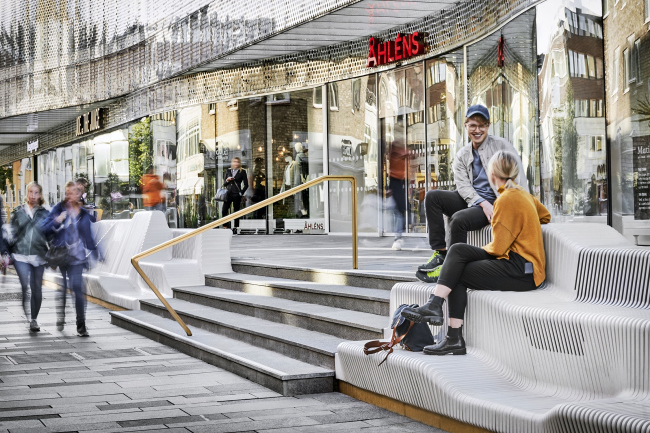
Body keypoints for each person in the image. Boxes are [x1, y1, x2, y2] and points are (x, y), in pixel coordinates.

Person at [400, 151, 550, 355]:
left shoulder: (505, 200)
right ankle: (436, 309)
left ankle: (450, 333)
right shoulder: (523, 194)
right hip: (524, 266)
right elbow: (546, 216)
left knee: (458, 270)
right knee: (458, 251)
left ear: (492, 175)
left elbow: (498, 249)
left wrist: (508, 227)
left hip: (522, 270)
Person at [417, 104, 528, 283]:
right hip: (475, 201)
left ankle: (451, 270)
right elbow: (463, 186)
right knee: (432, 197)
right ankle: (441, 253)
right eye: (473, 125)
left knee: (458, 219)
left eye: (482, 125)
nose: (477, 130)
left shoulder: (501, 146)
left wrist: (520, 209)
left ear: (488, 126)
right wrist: (481, 202)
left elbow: (519, 178)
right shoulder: (462, 155)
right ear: (466, 126)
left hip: (495, 203)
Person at [42, 181, 97, 337]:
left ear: (78, 194)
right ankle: (62, 316)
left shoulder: (83, 213)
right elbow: (44, 229)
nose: (70, 195)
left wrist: (96, 253)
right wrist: (57, 220)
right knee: (63, 288)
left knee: (77, 288)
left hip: (77, 257)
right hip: (61, 255)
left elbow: (89, 235)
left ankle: (81, 325)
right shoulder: (58, 209)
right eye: (67, 193)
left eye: (73, 192)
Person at [11, 182, 49, 332]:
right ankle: (28, 315)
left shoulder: (45, 213)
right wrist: (5, 253)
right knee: (25, 286)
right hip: (20, 255)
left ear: (40, 195)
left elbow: (50, 235)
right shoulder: (18, 212)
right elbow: (10, 235)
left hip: (39, 255)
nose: (33, 196)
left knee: (37, 288)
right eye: (30, 192)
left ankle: (34, 319)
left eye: (36, 193)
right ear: (26, 194)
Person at [387, 142, 408, 251]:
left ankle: (398, 236)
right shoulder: (396, 152)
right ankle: (397, 237)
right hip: (396, 182)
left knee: (397, 211)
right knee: (397, 211)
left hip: (399, 182)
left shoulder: (398, 152)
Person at [222, 157, 248, 234]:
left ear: (239, 163)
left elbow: (246, 185)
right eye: (234, 162)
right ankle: (225, 227)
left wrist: (241, 193)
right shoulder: (228, 170)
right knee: (224, 210)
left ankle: (235, 227)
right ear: (232, 163)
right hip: (228, 193)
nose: (236, 163)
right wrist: (227, 180)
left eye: (237, 162)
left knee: (236, 211)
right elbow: (224, 184)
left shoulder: (242, 171)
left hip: (237, 194)